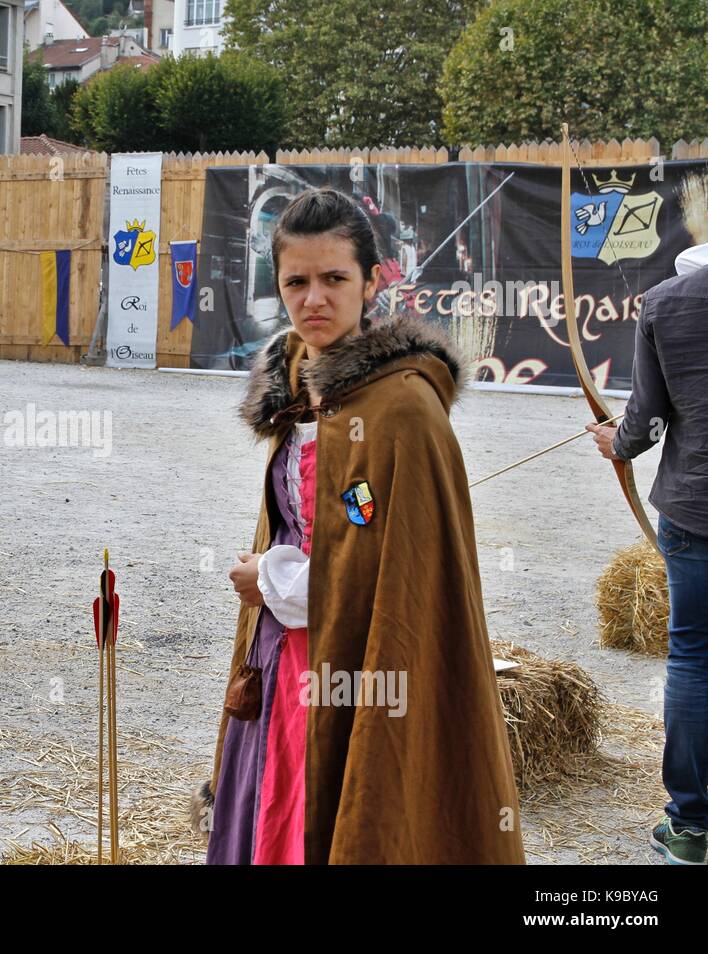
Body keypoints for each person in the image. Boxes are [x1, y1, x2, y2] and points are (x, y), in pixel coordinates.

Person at [191, 187, 524, 864]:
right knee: (278, 813)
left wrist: (274, 575)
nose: (314, 298)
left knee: (352, 812)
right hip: (283, 664)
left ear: (372, 282)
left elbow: (393, 577)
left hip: (358, 668)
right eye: (297, 281)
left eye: (334, 279)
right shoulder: (294, 380)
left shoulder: (403, 407)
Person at [586, 248, 708, 866]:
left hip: (694, 510)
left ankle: (690, 829)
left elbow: (648, 419)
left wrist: (619, 441)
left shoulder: (667, 301)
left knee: (692, 658)